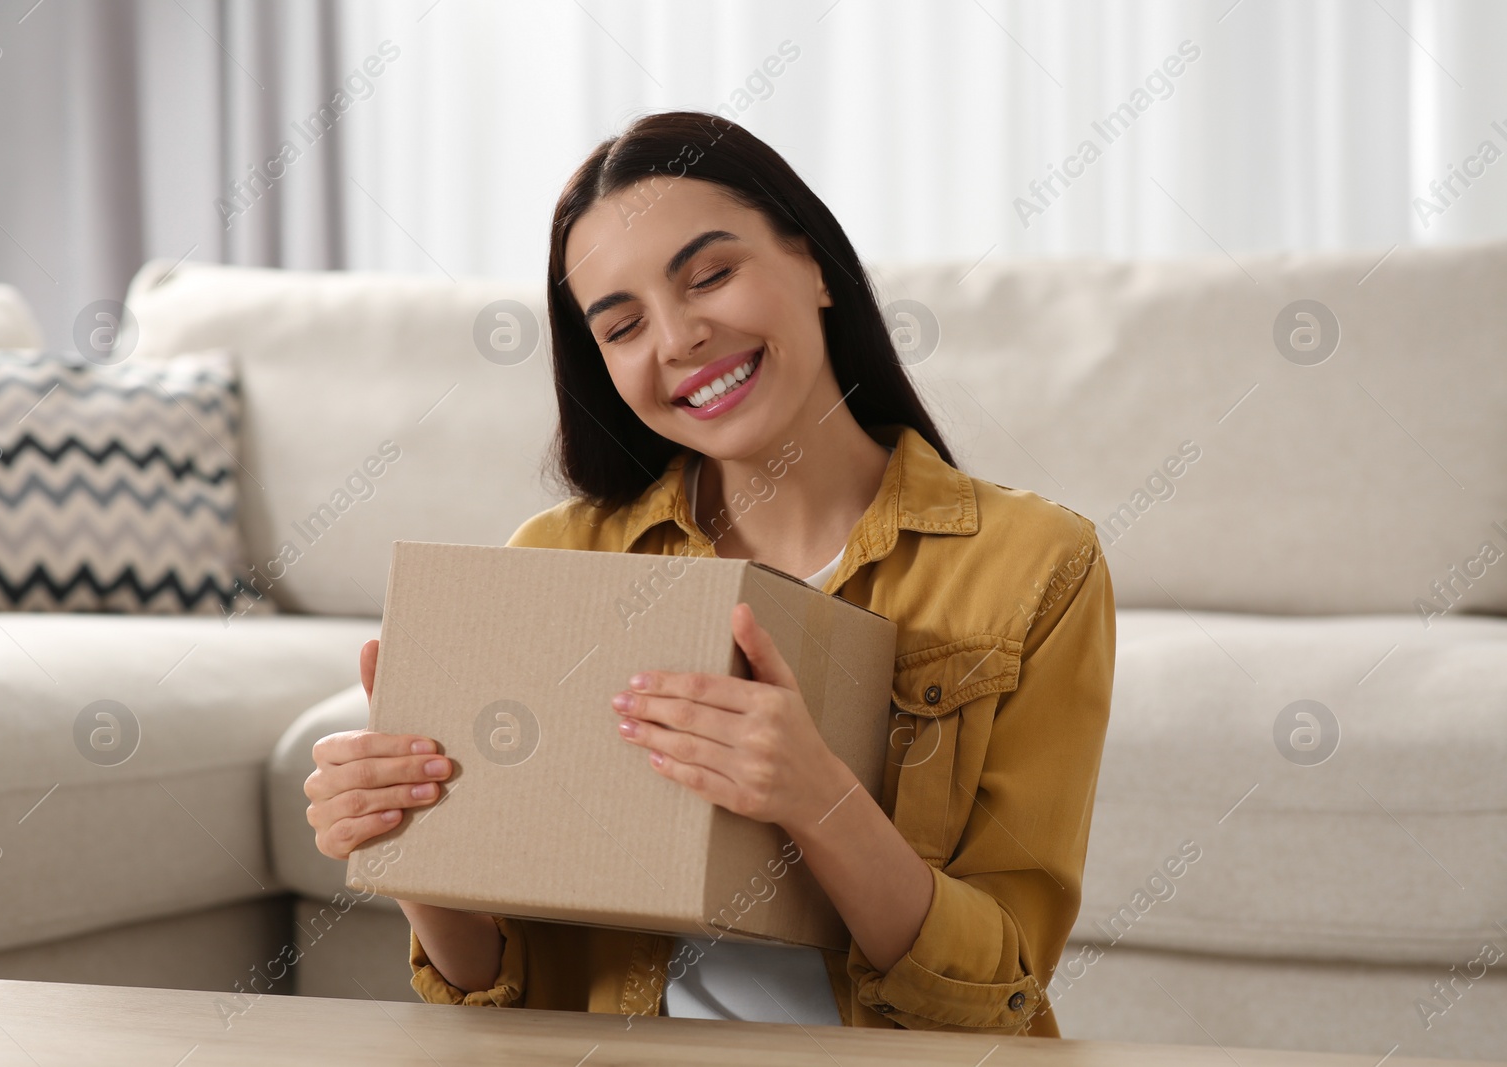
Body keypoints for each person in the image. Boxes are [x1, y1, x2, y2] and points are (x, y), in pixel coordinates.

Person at [304, 110, 1115, 1036]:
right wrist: (409, 845)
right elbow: (506, 988)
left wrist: (819, 799)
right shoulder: (561, 559)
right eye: (622, 326)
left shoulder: (1034, 565)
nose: (680, 338)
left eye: (712, 275)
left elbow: (1002, 984)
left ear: (812, 264)